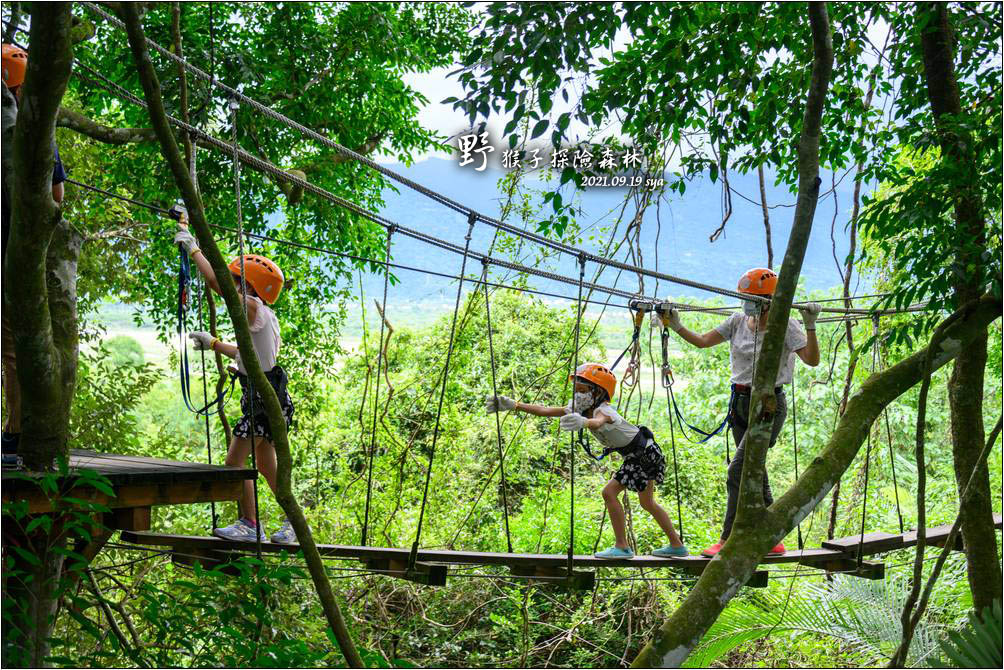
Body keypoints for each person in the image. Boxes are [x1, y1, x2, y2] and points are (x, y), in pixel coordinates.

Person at [663, 268, 820, 557]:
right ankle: (773, 538)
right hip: (740, 402)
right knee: (753, 469)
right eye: (744, 297)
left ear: (770, 300)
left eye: (752, 298)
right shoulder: (738, 320)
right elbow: (703, 341)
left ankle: (727, 540)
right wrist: (676, 326)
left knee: (738, 470)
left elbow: (811, 360)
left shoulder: (786, 325)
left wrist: (810, 325)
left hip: (769, 405)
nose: (746, 302)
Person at [173, 216, 297, 544]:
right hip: (269, 397)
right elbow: (250, 356)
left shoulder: (253, 307)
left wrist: (194, 247)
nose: (234, 284)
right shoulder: (265, 315)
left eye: (237, 280)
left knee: (234, 463)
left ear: (249, 285)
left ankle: (249, 522)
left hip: (260, 400)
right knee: (269, 467)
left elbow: (217, 285)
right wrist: (213, 344)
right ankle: (293, 523)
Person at [486, 362, 688, 559]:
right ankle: (677, 545)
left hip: (642, 455)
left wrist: (584, 422)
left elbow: (598, 422)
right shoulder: (581, 409)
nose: (578, 395)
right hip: (645, 453)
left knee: (609, 493)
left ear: (598, 393)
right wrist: (515, 405)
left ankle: (623, 546)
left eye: (583, 391)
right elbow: (545, 410)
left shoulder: (603, 410)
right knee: (647, 503)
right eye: (577, 390)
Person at [2, 44, 67, 463]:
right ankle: (15, 429)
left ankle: (15, 430)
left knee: (10, 345)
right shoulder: (37, 133)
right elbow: (58, 196)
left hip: (13, 252)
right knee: (14, 345)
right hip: (17, 252)